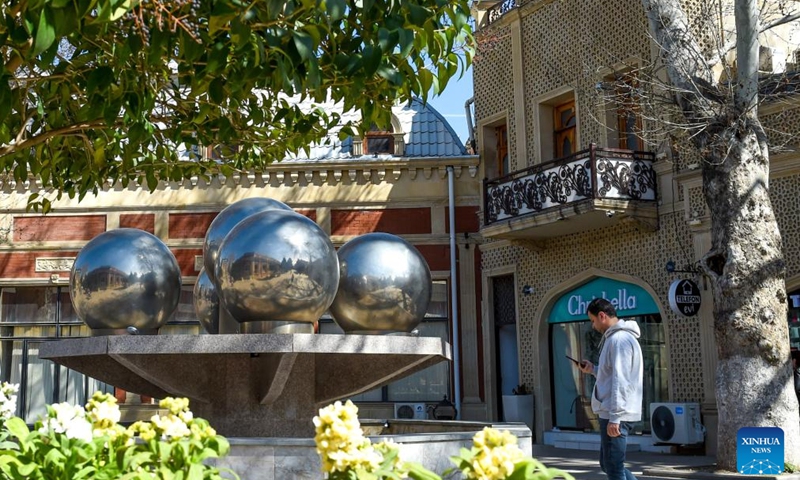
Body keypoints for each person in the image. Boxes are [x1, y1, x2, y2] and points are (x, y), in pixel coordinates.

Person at [579, 298, 643, 480]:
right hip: (613, 412)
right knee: (609, 465)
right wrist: (593, 369)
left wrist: (615, 417)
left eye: (593, 321)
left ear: (602, 316)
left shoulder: (618, 340)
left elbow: (621, 380)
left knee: (614, 468)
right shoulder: (616, 339)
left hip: (615, 414)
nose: (593, 326)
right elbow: (612, 375)